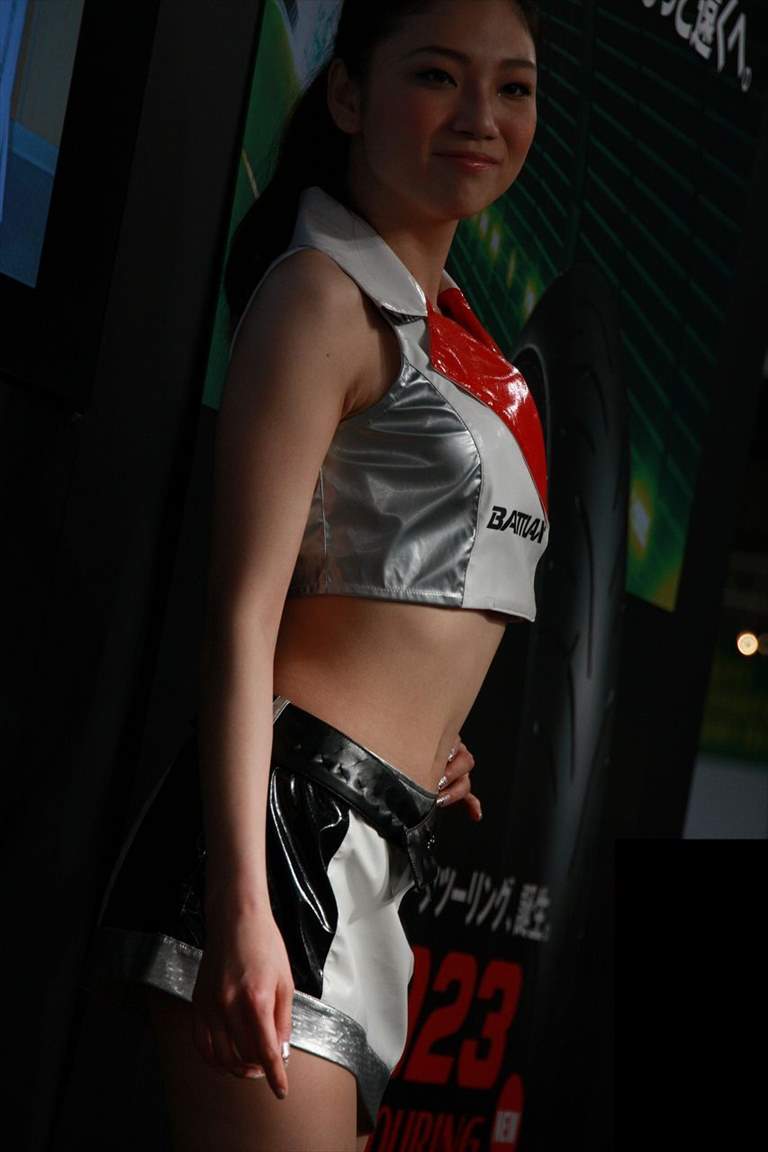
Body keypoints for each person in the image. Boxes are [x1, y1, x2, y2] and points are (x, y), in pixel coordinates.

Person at [84, 1, 547, 1149]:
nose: (480, 116)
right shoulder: (318, 298)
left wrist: (431, 723)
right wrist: (242, 902)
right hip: (280, 838)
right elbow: (241, 618)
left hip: (374, 847)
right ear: (347, 95)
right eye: (436, 76)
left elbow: (402, 585)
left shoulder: (468, 349)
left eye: (513, 87)